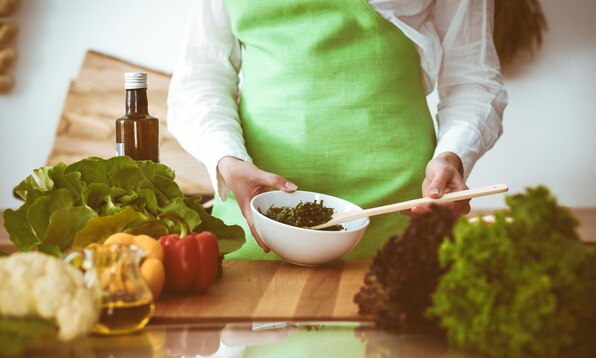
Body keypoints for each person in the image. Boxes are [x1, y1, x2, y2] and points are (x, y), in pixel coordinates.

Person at [168, 0, 507, 260]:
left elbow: (472, 79)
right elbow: (201, 78)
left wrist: (453, 155)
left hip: (402, 216)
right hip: (259, 222)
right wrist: (227, 160)